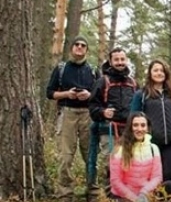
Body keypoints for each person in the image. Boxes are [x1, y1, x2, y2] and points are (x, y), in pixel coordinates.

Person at [45, 36, 98, 200]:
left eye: (83, 45)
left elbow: (99, 95)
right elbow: (50, 93)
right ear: (71, 48)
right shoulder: (61, 68)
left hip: (87, 115)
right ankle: (65, 193)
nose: (80, 47)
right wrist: (67, 94)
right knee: (65, 156)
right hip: (67, 112)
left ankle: (93, 191)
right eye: (77, 45)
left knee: (90, 154)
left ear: (86, 50)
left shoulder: (94, 70)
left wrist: (89, 95)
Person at [88, 47, 139, 195]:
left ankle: (128, 195)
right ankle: (109, 196)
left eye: (122, 59)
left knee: (131, 164)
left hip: (130, 131)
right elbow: (92, 106)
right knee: (110, 165)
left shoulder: (133, 83)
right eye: (116, 60)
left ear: (126, 60)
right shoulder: (102, 81)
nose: (120, 62)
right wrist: (103, 112)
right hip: (109, 130)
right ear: (110, 61)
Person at [130, 59, 171, 191]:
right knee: (151, 179)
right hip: (150, 144)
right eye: (155, 70)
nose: (159, 73)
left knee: (169, 179)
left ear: (166, 73)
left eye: (161, 70)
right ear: (150, 73)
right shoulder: (142, 94)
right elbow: (133, 117)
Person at [109, 112, 163, 202]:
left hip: (146, 196)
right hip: (124, 197)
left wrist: (144, 193)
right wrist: (135, 199)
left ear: (147, 128)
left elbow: (157, 177)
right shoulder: (119, 149)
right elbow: (115, 181)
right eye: (135, 125)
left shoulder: (154, 149)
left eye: (143, 125)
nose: (139, 129)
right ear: (130, 127)